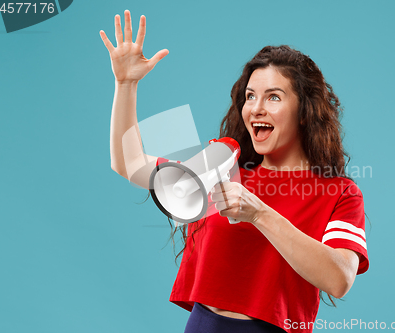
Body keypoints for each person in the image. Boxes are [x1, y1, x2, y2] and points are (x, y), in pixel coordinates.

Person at [101, 10, 369, 333]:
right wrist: (125, 83)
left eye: (273, 97)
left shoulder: (339, 193)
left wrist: (258, 213)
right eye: (250, 96)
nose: (256, 108)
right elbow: (127, 163)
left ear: (304, 111)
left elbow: (339, 279)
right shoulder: (223, 168)